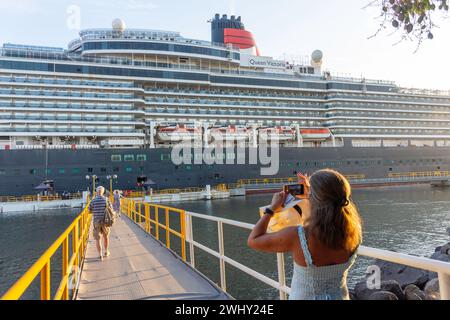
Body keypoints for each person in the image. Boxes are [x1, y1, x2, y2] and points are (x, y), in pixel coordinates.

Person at [248, 169, 363, 300]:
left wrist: (272, 209)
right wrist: (311, 193)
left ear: (315, 198)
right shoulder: (355, 232)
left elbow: (253, 239)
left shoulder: (298, 236)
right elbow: (327, 211)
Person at [89, 186, 114, 261]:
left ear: (96, 192)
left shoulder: (93, 200)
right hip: (105, 221)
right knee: (106, 237)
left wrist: (95, 211)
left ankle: (100, 255)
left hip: (96, 221)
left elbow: (89, 210)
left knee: (98, 239)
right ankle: (106, 252)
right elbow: (111, 209)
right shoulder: (106, 199)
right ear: (103, 192)